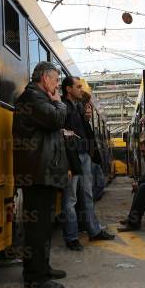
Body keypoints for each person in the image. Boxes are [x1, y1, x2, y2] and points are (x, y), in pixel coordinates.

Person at [12, 62, 68, 288]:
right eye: (55, 80)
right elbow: (56, 120)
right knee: (37, 228)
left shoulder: (37, 99)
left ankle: (42, 268)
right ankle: (35, 279)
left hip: (41, 171)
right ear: (45, 79)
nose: (57, 85)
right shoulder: (33, 98)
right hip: (36, 173)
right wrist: (59, 104)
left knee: (43, 227)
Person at [61, 76, 114, 251]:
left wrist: (86, 118)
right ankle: (71, 237)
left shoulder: (77, 107)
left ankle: (94, 231)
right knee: (71, 199)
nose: (80, 89)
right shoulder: (62, 107)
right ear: (68, 89)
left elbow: (81, 131)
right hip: (72, 157)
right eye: (77, 86)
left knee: (88, 195)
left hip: (83, 155)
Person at [83, 102, 106, 200]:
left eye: (89, 109)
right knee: (93, 185)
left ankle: (89, 202)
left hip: (94, 160)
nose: (89, 112)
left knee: (100, 184)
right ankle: (88, 203)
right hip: (89, 159)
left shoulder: (88, 125)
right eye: (86, 109)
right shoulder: (82, 125)